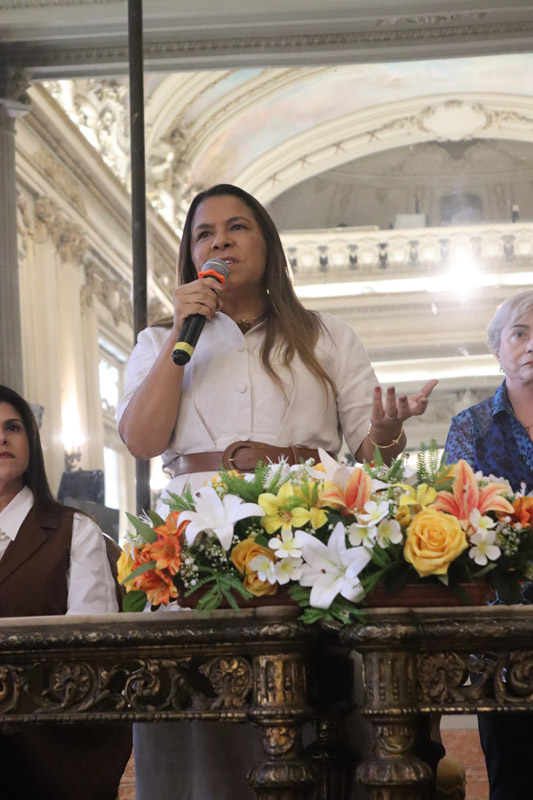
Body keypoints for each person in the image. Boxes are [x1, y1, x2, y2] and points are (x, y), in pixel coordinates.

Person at [117, 183, 437, 800]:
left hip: (306, 533)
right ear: (190, 255)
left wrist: (389, 434)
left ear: (267, 244)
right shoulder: (160, 341)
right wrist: (183, 333)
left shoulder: (327, 335)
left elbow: (368, 457)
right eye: (204, 234)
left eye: (237, 228)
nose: (220, 242)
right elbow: (141, 439)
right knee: (203, 698)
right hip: (193, 538)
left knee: (313, 690)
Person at [0, 385, 132, 800]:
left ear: (30, 442)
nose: (1, 438)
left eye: (12, 427)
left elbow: (91, 650)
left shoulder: (74, 531)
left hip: (51, 733)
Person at [445, 289, 533, 800]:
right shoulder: (470, 428)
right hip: (500, 631)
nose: (530, 345)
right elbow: (462, 521)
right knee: (512, 777)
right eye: (519, 334)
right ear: (497, 350)